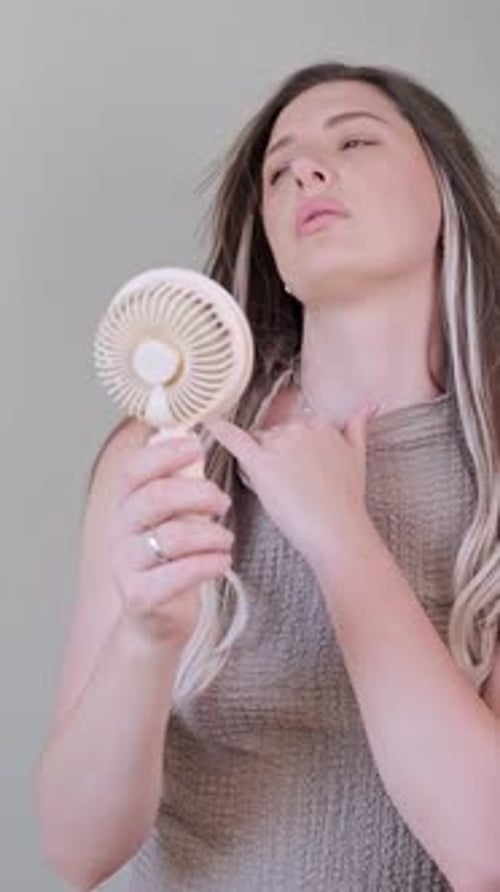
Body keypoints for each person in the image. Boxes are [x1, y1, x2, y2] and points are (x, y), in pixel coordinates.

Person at [36, 62, 500, 891]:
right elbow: (76, 851)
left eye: (353, 140)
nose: (306, 172)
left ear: (446, 191)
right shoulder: (163, 456)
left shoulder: (490, 472)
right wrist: (147, 640)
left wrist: (342, 541)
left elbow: (488, 850)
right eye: (279, 170)